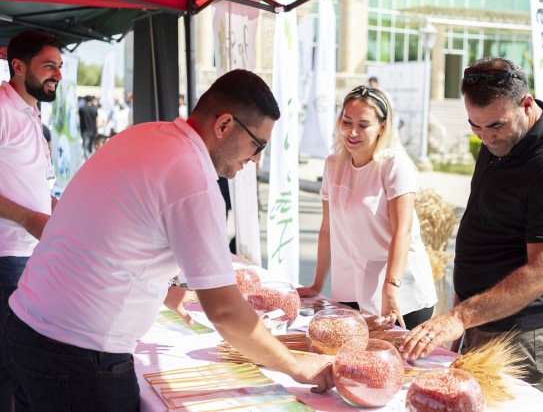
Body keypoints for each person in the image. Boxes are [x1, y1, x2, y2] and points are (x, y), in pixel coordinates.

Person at [1, 69, 334, 411]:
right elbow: (224, 311)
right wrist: (297, 365)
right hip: (76, 353)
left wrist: (163, 290)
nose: (255, 160)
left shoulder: (146, 135)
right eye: (257, 145)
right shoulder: (192, 176)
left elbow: (109, 240)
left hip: (30, 329)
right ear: (224, 125)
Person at [400, 57, 543, 392]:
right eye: (475, 125)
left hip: (520, 330)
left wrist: (460, 317)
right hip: (480, 315)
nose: (485, 138)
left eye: (495, 126)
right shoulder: (502, 139)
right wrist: (461, 306)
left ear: (526, 104)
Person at [297, 85, 437, 330]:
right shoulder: (333, 164)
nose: (352, 131)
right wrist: (317, 285)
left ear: (382, 127)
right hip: (350, 288)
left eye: (363, 125)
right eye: (346, 121)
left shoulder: (394, 166)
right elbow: (327, 229)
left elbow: (401, 232)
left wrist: (391, 288)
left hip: (400, 295)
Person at [0, 29, 63, 410]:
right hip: (6, 257)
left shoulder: (30, 112)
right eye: (49, 65)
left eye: (59, 65)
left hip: (29, 256)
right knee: (9, 367)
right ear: (19, 67)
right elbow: (27, 207)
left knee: (22, 362)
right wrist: (27, 218)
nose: (57, 74)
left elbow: (39, 189)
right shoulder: (3, 109)